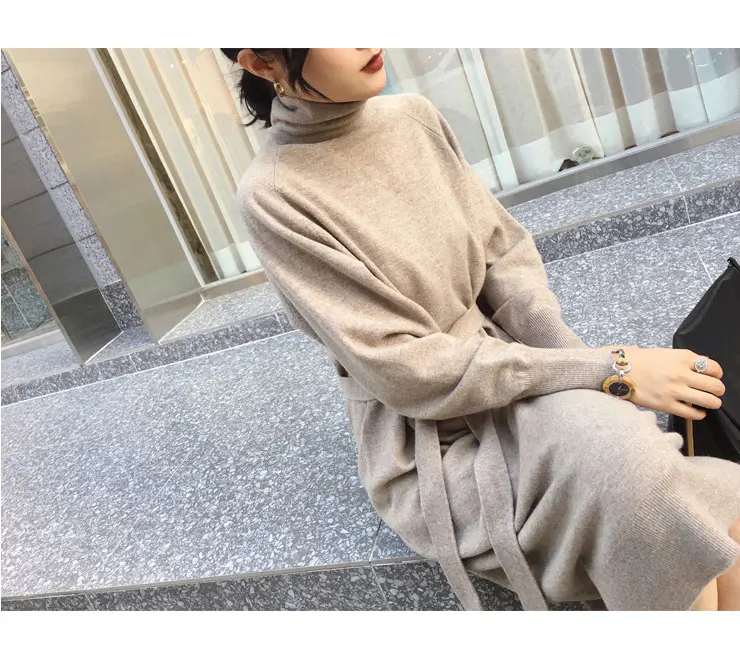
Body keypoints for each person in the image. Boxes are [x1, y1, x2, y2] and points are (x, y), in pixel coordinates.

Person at [221, 48, 740, 611]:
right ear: (263, 64)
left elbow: (504, 257)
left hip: (521, 371)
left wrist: (589, 377)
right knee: (641, 486)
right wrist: (610, 370)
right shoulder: (274, 194)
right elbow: (405, 370)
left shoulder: (413, 117)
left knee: (676, 492)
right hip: (431, 435)